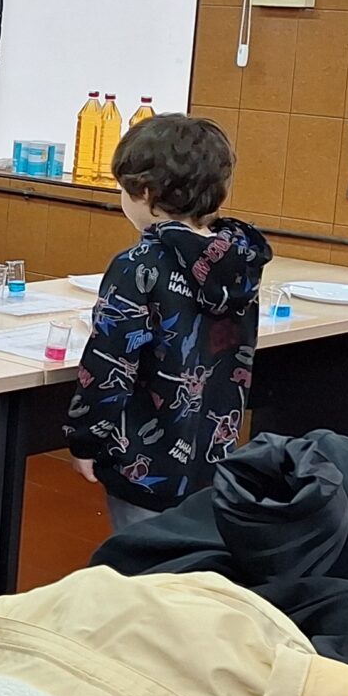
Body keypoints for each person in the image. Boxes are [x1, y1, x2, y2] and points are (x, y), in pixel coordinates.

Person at [66, 114, 271, 534]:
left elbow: (109, 363)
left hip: (142, 459)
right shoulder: (238, 261)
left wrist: (85, 439)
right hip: (211, 455)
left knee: (142, 570)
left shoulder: (137, 265)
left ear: (143, 191)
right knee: (189, 567)